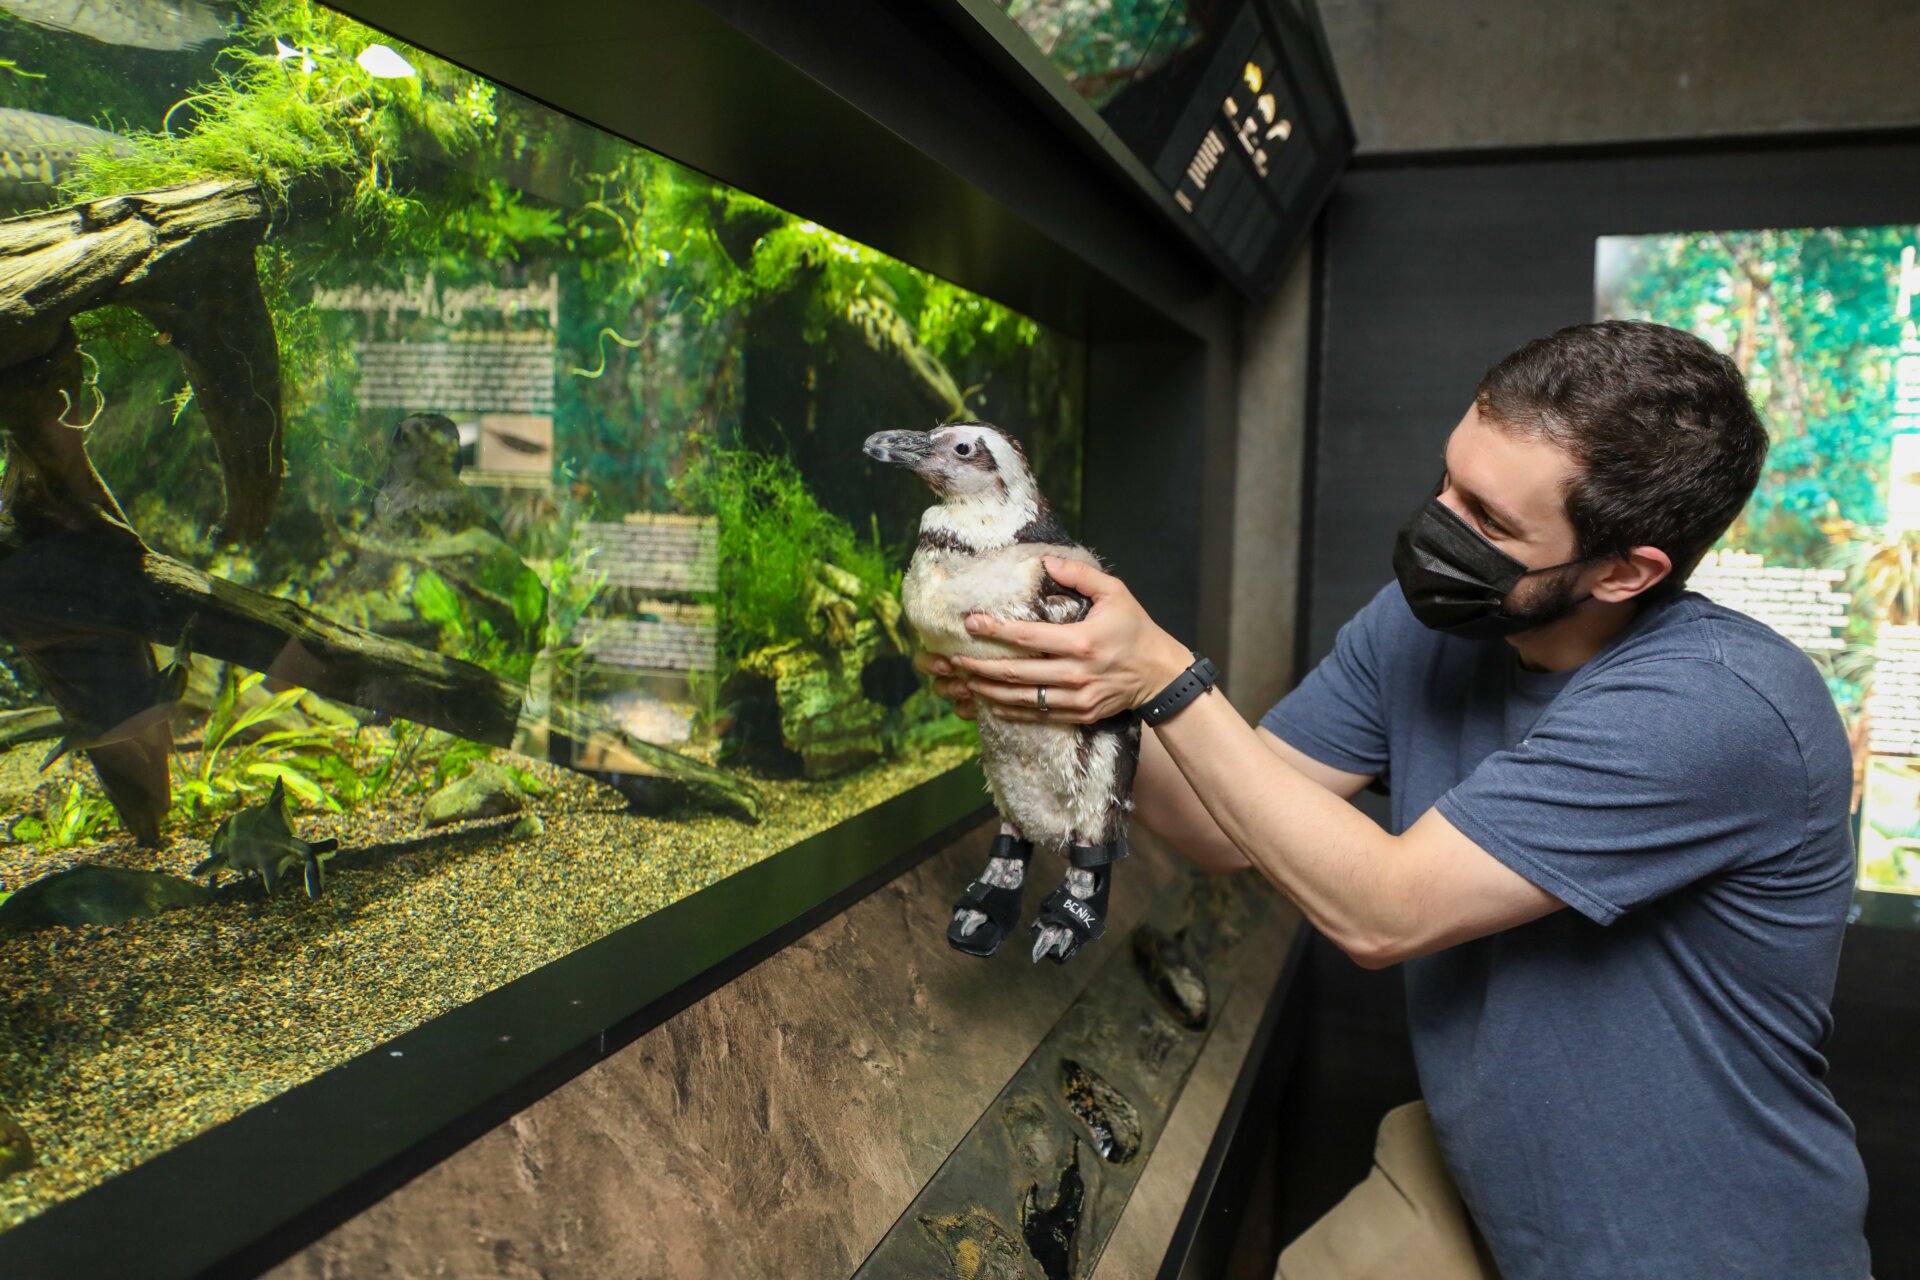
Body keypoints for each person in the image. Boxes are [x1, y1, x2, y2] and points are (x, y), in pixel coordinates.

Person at [917, 320, 1872, 1279]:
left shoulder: (1717, 704)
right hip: (1483, 1195)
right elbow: (1223, 821)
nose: (1440, 527)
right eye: (1447, 482)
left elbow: (1385, 909)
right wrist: (1061, 697)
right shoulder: (1430, 628)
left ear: (1626, 571)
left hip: (1694, 1245)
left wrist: (1160, 673)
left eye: (1490, 524)